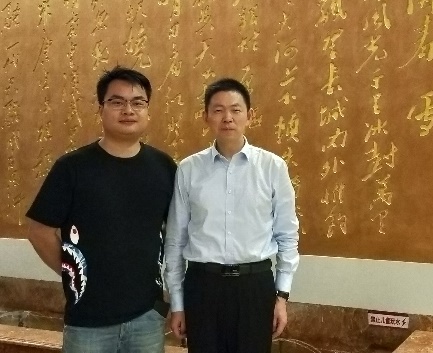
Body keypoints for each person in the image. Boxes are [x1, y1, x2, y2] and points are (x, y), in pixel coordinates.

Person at [26, 66, 177, 353]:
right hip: (88, 320)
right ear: (101, 109)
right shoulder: (72, 168)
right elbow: (39, 231)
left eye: (138, 102)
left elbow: (176, 234)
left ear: (148, 110)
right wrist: (73, 274)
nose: (128, 110)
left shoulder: (163, 167)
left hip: (147, 315)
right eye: (117, 102)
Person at [164, 77, 300, 353]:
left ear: (250, 116)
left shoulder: (272, 167)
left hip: (254, 287)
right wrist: (177, 304)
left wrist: (282, 296)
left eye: (236, 110)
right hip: (203, 286)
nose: (227, 118)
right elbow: (175, 240)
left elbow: (287, 235)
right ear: (206, 117)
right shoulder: (189, 169)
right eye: (218, 110)